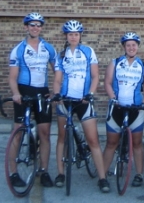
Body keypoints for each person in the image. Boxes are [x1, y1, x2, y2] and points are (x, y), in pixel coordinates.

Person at [53, 20, 110, 193]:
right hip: (66, 100)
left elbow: (95, 76)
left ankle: (102, 178)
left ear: (80, 36)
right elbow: (57, 79)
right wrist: (57, 95)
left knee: (93, 140)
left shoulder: (87, 51)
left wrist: (90, 94)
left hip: (83, 101)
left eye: (76, 34)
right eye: (70, 34)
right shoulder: (61, 54)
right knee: (62, 138)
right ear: (66, 36)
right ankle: (61, 173)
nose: (73, 37)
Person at [8, 12, 56, 188]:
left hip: (42, 93)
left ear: (41, 28)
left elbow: (57, 71)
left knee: (44, 133)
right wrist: (15, 93)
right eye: (32, 25)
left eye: (38, 25)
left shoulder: (49, 48)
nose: (35, 28)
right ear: (26, 27)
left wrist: (54, 92)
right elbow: (12, 77)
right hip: (24, 92)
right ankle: (13, 173)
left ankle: (43, 171)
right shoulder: (18, 49)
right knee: (18, 133)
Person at [103, 32, 144, 187]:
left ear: (137, 47)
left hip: (135, 109)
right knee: (111, 143)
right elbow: (108, 83)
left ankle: (138, 174)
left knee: (137, 143)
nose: (131, 47)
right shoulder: (115, 62)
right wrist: (113, 98)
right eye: (128, 45)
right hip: (117, 108)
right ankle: (102, 176)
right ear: (124, 47)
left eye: (134, 45)